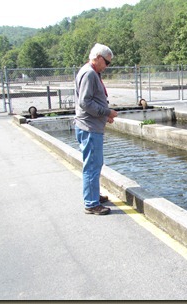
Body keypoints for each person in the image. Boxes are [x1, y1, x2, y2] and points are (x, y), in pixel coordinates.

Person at [74, 43, 118, 215]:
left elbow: (90, 101)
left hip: (91, 125)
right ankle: (91, 204)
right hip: (89, 128)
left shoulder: (91, 72)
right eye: (106, 62)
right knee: (92, 165)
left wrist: (104, 115)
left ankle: (93, 195)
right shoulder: (89, 74)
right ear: (98, 58)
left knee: (95, 164)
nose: (107, 67)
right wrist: (107, 112)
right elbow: (85, 102)